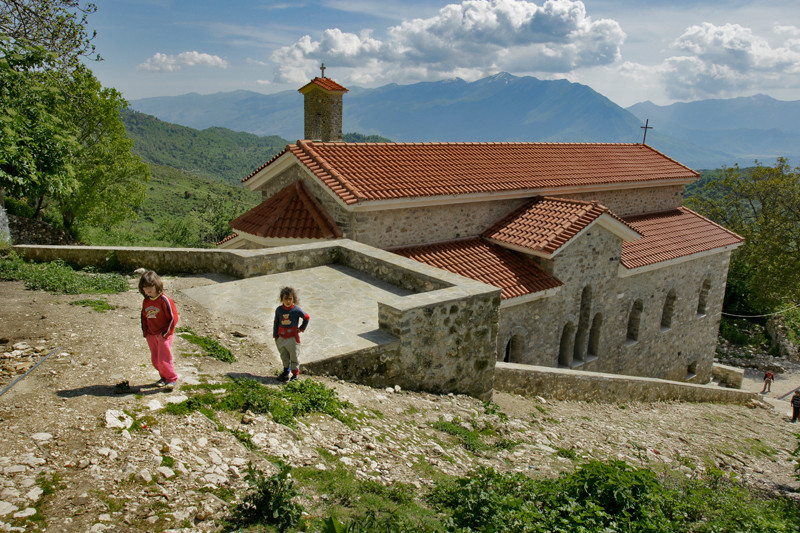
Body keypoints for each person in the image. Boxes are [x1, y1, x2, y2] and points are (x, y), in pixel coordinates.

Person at [139, 270, 179, 387]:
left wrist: (166, 334)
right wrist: (146, 332)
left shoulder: (164, 300)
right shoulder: (146, 301)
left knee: (163, 358)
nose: (148, 290)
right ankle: (163, 377)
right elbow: (144, 317)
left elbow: (173, 318)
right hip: (151, 334)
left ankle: (171, 378)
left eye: (151, 286)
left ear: (157, 285)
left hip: (163, 334)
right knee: (155, 360)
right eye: (145, 287)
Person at [273, 286, 309, 382]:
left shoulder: (296, 310)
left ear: (293, 299)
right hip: (281, 338)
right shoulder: (279, 310)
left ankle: (295, 375)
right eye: (286, 299)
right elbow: (276, 322)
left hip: (293, 339)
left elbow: (306, 317)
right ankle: (285, 373)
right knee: (284, 356)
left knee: (294, 357)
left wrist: (301, 328)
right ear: (282, 299)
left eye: (290, 299)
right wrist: (275, 335)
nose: (288, 301)